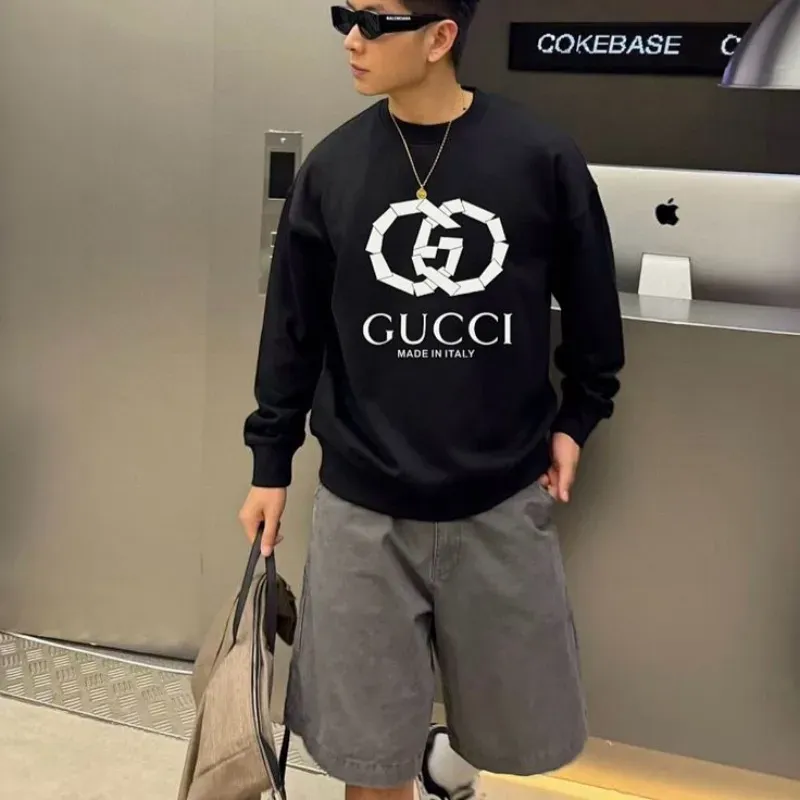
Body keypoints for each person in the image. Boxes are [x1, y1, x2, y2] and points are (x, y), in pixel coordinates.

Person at [238, 1, 625, 799]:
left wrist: (577, 419)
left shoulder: (539, 157)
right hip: (364, 509)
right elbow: (292, 329)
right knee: (366, 757)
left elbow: (592, 308)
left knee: (519, 727)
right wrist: (269, 462)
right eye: (345, 16)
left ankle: (446, 763)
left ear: (441, 36)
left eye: (376, 21)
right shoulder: (334, 169)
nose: (352, 39)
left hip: (499, 498)